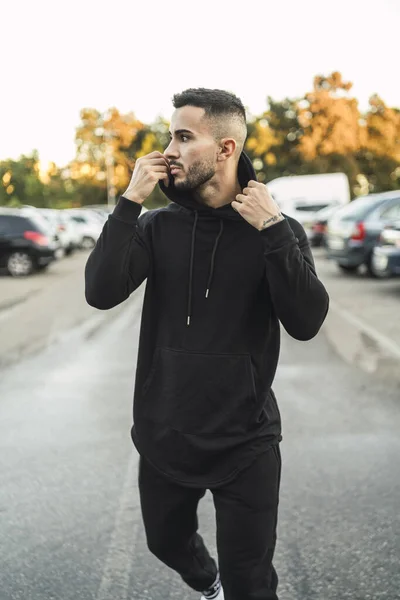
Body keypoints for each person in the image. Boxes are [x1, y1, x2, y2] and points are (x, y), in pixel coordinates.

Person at [85, 88, 329, 600]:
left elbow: (306, 322)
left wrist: (274, 230)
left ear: (226, 149)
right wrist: (129, 202)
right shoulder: (156, 226)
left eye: (183, 137)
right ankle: (207, 582)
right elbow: (100, 292)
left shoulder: (277, 232)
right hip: (165, 432)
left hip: (246, 440)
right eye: (170, 135)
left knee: (252, 583)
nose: (168, 150)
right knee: (166, 542)